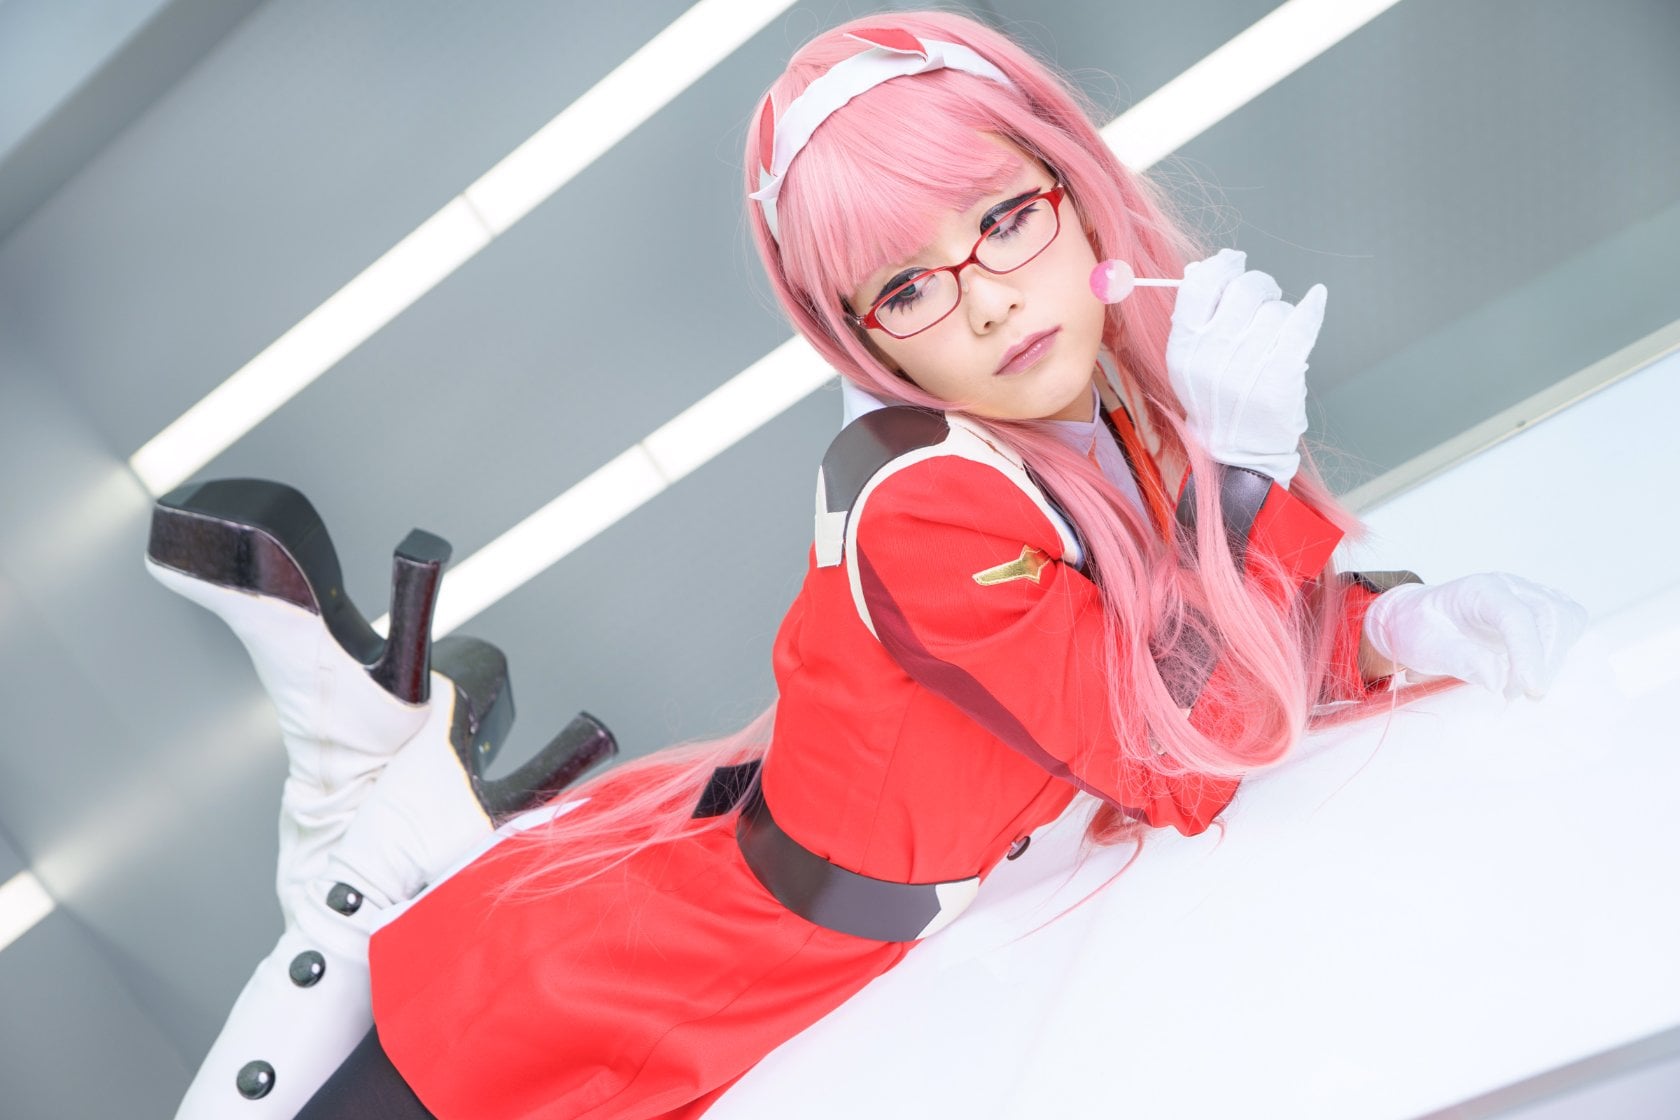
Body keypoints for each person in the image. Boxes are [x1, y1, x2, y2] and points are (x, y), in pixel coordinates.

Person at [156, 11, 1587, 1120]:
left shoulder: (1115, 423)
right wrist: (1244, 481)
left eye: (1004, 219)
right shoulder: (925, 503)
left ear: (1075, 190)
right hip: (652, 980)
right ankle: (371, 810)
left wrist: (1393, 627)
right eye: (908, 286)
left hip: (770, 948)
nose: (989, 301)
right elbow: (1174, 750)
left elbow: (1188, 654)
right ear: (861, 335)